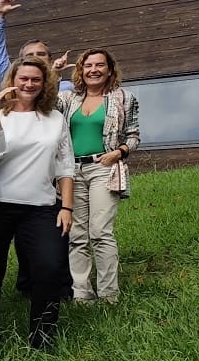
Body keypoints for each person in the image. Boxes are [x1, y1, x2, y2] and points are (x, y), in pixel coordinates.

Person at [0, 59, 75, 349]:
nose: (29, 84)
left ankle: (42, 337)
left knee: (49, 268)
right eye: (23, 79)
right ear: (12, 80)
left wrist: (66, 207)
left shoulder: (55, 118)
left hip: (41, 207)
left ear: (45, 84)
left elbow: (66, 166)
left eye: (36, 80)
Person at [60, 48, 140, 303]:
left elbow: (134, 136)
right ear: (80, 70)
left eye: (99, 65)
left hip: (103, 167)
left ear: (109, 69)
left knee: (100, 232)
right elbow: (43, 99)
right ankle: (82, 294)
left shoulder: (123, 98)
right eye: (88, 65)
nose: (93, 70)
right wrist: (53, 70)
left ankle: (108, 294)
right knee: (76, 235)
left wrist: (119, 152)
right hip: (71, 170)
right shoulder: (68, 99)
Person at [0, 0, 59, 84]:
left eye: (41, 54)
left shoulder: (65, 88)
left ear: (50, 60)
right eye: (29, 55)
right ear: (20, 61)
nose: (35, 57)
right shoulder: (12, 81)